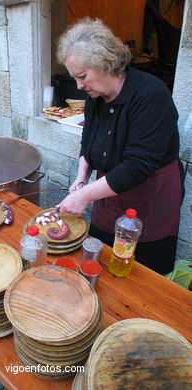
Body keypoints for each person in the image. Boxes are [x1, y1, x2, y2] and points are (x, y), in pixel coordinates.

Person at [55, 18, 184, 275]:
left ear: (105, 63)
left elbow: (138, 166)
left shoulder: (150, 95)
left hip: (150, 198)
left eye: (82, 77)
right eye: (74, 78)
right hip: (107, 196)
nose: (79, 86)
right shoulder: (96, 97)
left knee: (141, 275)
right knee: (100, 259)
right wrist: (81, 180)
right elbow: (88, 142)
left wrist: (84, 195)